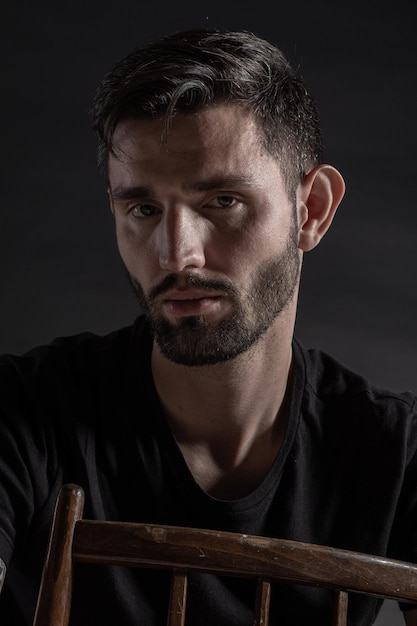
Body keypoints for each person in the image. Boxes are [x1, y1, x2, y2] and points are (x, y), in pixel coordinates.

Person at [0, 28, 416, 626]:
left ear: (312, 210)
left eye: (223, 201)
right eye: (143, 210)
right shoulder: (23, 416)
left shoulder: (395, 453)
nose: (176, 255)